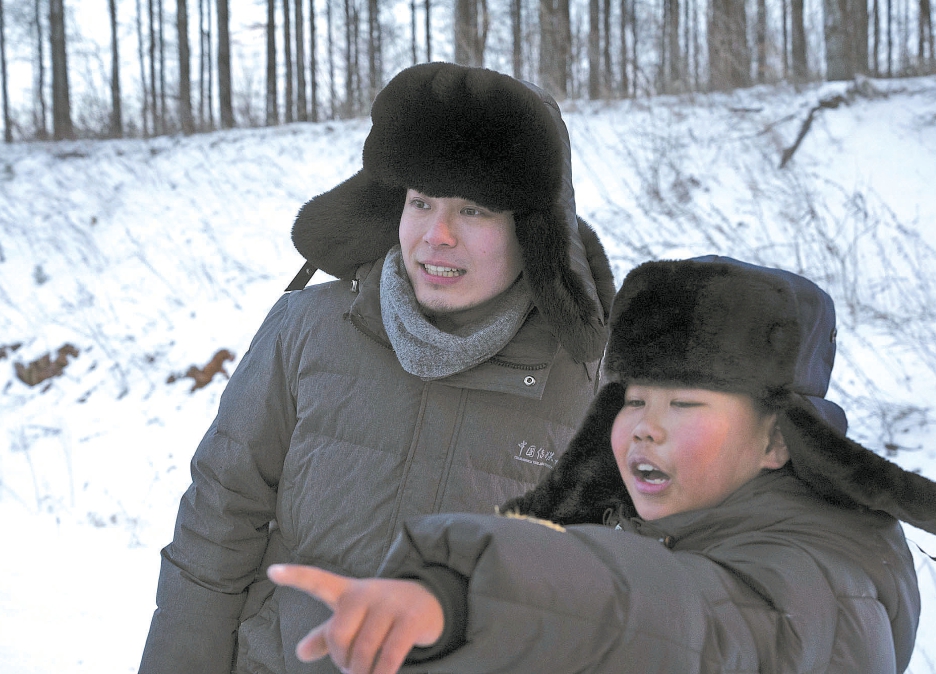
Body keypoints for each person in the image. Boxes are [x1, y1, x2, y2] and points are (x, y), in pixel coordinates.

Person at [270, 256, 936, 674]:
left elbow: (687, 619)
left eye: (686, 404)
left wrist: (474, 597)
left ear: (780, 440)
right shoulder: (690, 521)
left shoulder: (816, 578)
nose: (645, 430)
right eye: (633, 399)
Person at [137, 63, 616, 674]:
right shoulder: (309, 329)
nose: (436, 235)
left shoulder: (588, 387)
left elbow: (604, 607)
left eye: (473, 210)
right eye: (421, 202)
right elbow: (217, 525)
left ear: (529, 231)